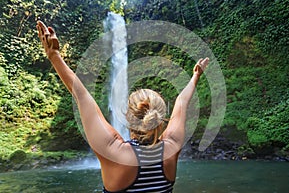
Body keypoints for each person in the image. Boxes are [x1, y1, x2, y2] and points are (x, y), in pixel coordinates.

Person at [36, 20, 209, 193]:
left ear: (128, 117)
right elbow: (182, 102)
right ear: (160, 118)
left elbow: (82, 96)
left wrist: (54, 56)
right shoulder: (171, 148)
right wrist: (196, 76)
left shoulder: (115, 153)